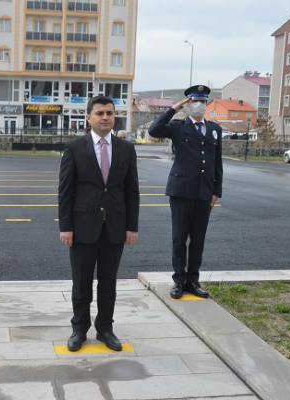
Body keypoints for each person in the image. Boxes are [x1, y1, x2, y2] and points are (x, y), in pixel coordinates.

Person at [58, 95, 140, 352]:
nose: (106, 117)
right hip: (82, 227)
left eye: (110, 113)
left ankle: (105, 328)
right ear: (88, 117)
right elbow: (65, 191)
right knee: (81, 282)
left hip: (114, 227)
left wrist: (132, 226)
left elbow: (132, 191)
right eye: (100, 113)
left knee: (108, 283)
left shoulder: (126, 149)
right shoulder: (75, 148)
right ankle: (79, 329)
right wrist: (65, 227)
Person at [148, 85, 223, 299]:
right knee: (179, 239)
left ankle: (193, 281)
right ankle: (179, 281)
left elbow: (217, 162)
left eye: (203, 101)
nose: (199, 105)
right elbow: (154, 130)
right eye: (195, 101)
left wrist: (216, 191)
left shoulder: (215, 129)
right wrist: (174, 108)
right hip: (181, 191)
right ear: (188, 104)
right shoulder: (177, 126)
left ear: (207, 104)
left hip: (204, 192)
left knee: (198, 240)